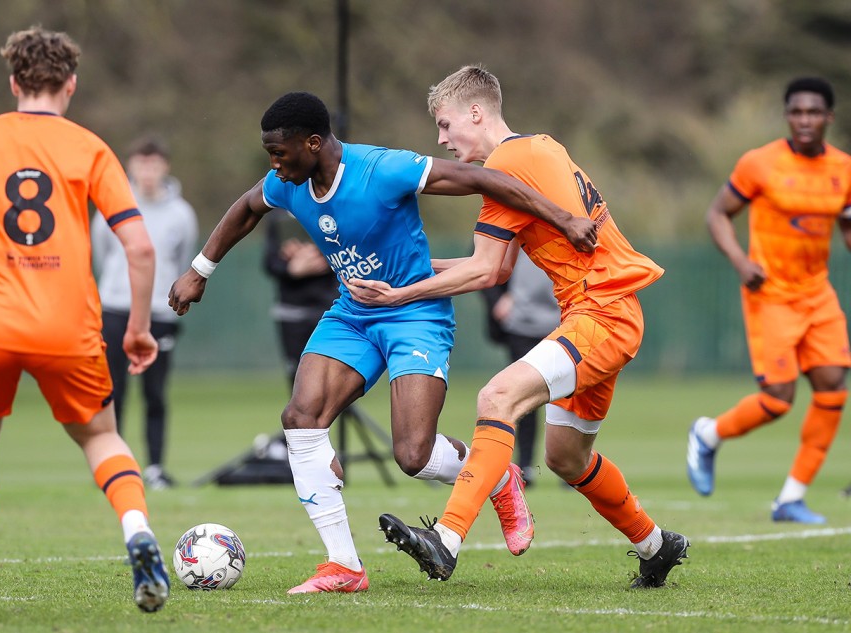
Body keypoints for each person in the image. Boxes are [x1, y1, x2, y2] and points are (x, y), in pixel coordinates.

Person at [168, 91, 598, 594]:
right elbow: (245, 209)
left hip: (416, 314)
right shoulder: (288, 184)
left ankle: (498, 476)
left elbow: (485, 179)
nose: (273, 165)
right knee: (301, 418)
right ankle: (344, 566)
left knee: (413, 455)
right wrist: (200, 270)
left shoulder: (382, 170)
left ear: (313, 143)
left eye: (279, 153)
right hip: (352, 315)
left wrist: (563, 218)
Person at [345, 65, 690, 589]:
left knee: (497, 397)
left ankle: (447, 538)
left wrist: (398, 295)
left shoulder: (508, 162)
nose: (440, 138)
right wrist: (401, 272)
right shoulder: (529, 153)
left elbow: (484, 271)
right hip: (601, 314)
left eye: (445, 123)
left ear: (476, 113)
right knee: (565, 457)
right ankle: (656, 544)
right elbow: (496, 267)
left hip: (603, 312)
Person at [0, 27, 170, 620]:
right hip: (67, 327)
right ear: (70, 85)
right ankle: (136, 531)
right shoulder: (90, 148)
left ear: (12, 82)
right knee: (101, 436)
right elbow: (140, 248)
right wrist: (137, 328)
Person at [686, 77, 851, 524]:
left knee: (833, 388)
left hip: (818, 293)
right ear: (787, 116)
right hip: (771, 294)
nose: (804, 120)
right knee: (778, 398)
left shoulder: (844, 169)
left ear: (828, 117)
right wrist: (740, 261)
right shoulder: (760, 163)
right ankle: (708, 433)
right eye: (796, 112)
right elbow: (717, 213)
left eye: (813, 112)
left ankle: (790, 499)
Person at [92, 135, 199, 490]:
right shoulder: (112, 204)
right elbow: (102, 253)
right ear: (131, 166)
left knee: (155, 393)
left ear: (164, 166)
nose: (148, 171)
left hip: (159, 313)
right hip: (116, 308)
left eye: (154, 164)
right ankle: (114, 466)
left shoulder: (181, 213)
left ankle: (154, 468)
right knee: (113, 391)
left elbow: (183, 260)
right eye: (141, 164)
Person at [480, 255, 560, 486]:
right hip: (523, 325)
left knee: (566, 398)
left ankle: (570, 466)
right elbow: (484, 260)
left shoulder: (573, 226)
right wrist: (497, 299)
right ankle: (525, 466)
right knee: (524, 396)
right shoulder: (513, 223)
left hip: (564, 322)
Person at [262, 208, 338, 388]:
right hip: (291, 312)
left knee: (334, 377)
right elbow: (269, 262)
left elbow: (352, 253)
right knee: (298, 378)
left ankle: (343, 413)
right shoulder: (278, 217)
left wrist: (319, 255)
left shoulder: (333, 210)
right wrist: (293, 268)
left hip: (329, 310)